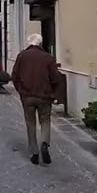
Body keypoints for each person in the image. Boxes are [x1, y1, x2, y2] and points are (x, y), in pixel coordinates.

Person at [11, 33, 61, 165]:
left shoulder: (22, 56)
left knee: (30, 123)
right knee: (45, 121)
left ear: (29, 43)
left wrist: (21, 91)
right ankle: (44, 143)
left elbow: (14, 75)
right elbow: (56, 78)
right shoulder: (48, 58)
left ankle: (34, 152)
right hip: (44, 96)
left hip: (27, 96)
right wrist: (53, 92)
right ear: (40, 43)